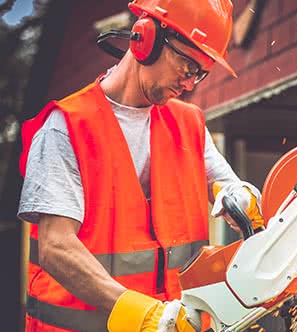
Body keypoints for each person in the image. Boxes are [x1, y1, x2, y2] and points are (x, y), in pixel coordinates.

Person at [18, 0, 264, 331]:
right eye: (188, 67)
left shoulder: (188, 123)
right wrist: (142, 315)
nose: (190, 84)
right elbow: (56, 247)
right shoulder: (65, 127)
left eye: (201, 74)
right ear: (145, 39)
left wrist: (240, 196)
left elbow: (223, 184)